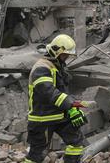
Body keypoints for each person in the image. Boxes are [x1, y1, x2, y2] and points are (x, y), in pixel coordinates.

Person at [25, 34, 87, 163]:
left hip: (59, 116)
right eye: (65, 55)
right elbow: (48, 92)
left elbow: (63, 92)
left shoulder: (58, 67)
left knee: (76, 143)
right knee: (37, 154)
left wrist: (73, 110)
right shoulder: (42, 68)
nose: (66, 57)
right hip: (42, 119)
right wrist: (71, 104)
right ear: (56, 51)